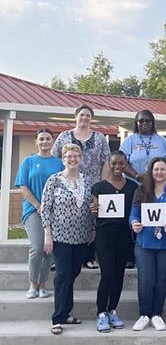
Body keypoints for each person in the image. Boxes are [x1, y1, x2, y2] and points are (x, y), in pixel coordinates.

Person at [41, 144, 94, 335]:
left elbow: (91, 206)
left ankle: (66, 312)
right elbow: (45, 209)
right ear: (63, 159)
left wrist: (93, 228)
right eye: (69, 157)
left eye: (76, 156)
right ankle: (57, 317)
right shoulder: (54, 180)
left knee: (73, 273)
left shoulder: (87, 181)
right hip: (61, 235)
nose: (72, 160)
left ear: (80, 158)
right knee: (62, 275)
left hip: (81, 236)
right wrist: (48, 233)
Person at [51, 104, 110, 270]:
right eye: (82, 115)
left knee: (91, 219)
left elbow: (106, 160)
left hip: (92, 184)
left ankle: (89, 257)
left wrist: (102, 184)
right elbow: (56, 159)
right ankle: (60, 257)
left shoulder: (99, 138)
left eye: (88, 115)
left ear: (91, 118)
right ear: (75, 117)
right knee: (67, 218)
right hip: (68, 184)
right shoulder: (64, 136)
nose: (84, 118)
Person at [129, 157, 166, 332]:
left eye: (163, 169)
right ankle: (144, 314)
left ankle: (157, 314)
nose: (159, 172)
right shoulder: (141, 191)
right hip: (144, 242)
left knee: (161, 279)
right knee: (145, 280)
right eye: (156, 169)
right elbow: (133, 214)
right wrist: (135, 223)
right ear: (151, 172)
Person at [90, 151, 138, 332]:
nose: (117, 167)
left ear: (126, 165)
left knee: (119, 275)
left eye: (121, 164)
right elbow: (94, 211)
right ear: (108, 165)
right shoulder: (99, 187)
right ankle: (101, 312)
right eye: (114, 164)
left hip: (124, 236)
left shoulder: (133, 187)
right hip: (104, 236)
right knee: (107, 273)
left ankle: (112, 310)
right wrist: (93, 209)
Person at [15, 128, 63, 299]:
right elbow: (23, 186)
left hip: (54, 212)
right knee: (37, 246)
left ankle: (43, 284)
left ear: (52, 141)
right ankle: (32, 284)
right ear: (36, 141)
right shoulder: (28, 161)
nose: (44, 142)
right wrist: (37, 205)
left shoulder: (59, 163)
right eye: (41, 139)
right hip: (33, 210)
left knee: (48, 248)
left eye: (48, 139)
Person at [121, 109, 166, 183]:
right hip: (134, 185)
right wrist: (137, 176)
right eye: (141, 121)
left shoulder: (162, 140)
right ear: (136, 123)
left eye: (148, 121)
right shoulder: (129, 141)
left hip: (157, 186)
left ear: (152, 123)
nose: (144, 123)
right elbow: (122, 163)